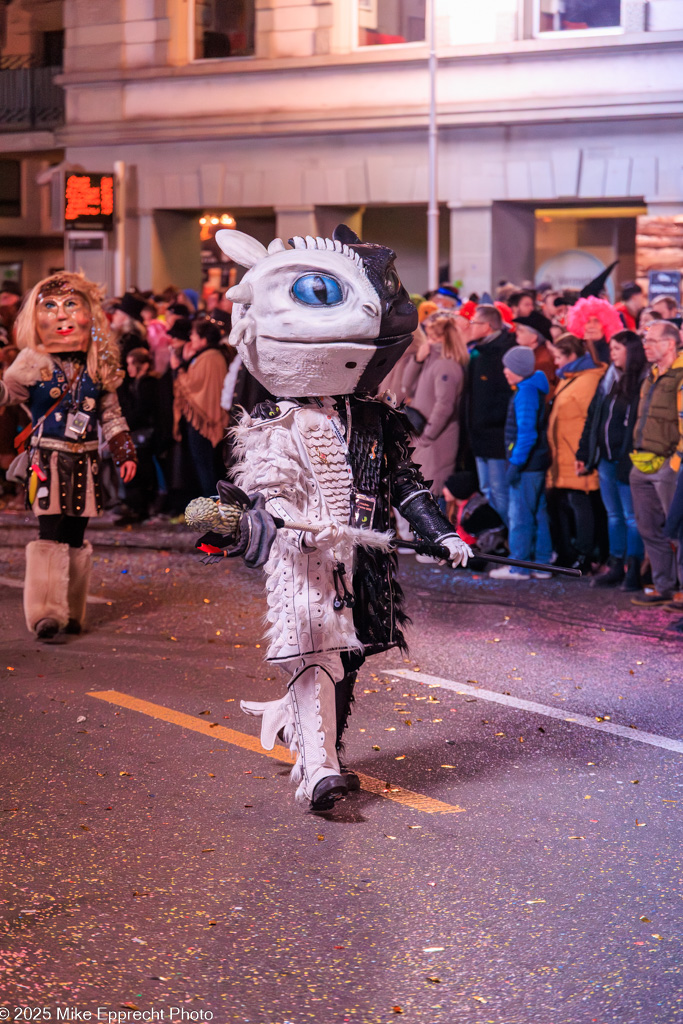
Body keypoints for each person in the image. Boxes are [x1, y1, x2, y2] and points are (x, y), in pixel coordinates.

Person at [197, 224, 472, 814]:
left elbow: (402, 480)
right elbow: (264, 488)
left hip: (365, 562)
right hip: (305, 563)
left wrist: (439, 530)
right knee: (314, 651)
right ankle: (320, 770)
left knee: (347, 657)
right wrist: (287, 520)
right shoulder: (275, 422)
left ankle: (320, 741)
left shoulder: (377, 418)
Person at [0, 272, 136, 640]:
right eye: (53, 307)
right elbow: (6, 394)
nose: (63, 315)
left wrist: (125, 452)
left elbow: (111, 414)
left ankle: (71, 611)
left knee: (76, 535)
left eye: (71, 305)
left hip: (86, 461)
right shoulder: (32, 360)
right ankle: (45, 613)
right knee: (51, 532)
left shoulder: (97, 365)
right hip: (46, 461)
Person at [576, 330, 647, 589]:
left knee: (631, 516)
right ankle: (616, 564)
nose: (612, 353)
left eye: (617, 348)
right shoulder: (610, 379)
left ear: (631, 351)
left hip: (627, 460)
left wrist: (629, 458)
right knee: (614, 515)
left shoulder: (642, 380)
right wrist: (584, 453)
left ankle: (633, 568)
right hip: (605, 459)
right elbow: (594, 417)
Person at [629, 320, 683, 606]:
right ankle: (664, 586)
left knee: (679, 530)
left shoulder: (680, 375)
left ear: (670, 343)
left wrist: (675, 461)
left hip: (668, 464)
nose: (645, 346)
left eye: (652, 341)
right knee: (649, 528)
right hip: (643, 461)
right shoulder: (650, 374)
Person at [489, 346, 552, 580]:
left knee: (521, 514)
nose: (505, 371)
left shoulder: (525, 392)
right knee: (538, 512)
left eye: (509, 367)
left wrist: (515, 464)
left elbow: (526, 434)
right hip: (535, 463)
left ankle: (520, 565)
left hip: (527, 465)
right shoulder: (531, 388)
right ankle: (543, 563)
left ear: (519, 369)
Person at [546, 333, 606, 572]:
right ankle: (578, 553)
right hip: (566, 455)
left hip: (577, 456)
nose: (556, 363)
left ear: (572, 356)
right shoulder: (570, 377)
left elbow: (591, 422)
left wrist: (583, 454)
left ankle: (586, 555)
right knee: (574, 504)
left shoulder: (588, 380)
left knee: (583, 505)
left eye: (559, 357)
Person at [401, 310, 468, 499]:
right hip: (424, 437)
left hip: (436, 441)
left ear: (440, 337)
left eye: (430, 336)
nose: (427, 340)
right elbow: (407, 387)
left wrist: (428, 436)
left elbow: (445, 406)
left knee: (434, 495)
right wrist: (417, 360)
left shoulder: (446, 365)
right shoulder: (431, 359)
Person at [466, 304, 515, 524]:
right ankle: (492, 538)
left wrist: (486, 421)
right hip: (479, 436)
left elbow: (506, 396)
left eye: (474, 322)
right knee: (487, 489)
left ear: (486, 326)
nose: (470, 326)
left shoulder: (502, 353)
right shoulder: (480, 351)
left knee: (499, 491)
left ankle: (505, 537)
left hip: (496, 437)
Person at [172, 317, 228, 497]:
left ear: (204, 339)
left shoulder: (209, 358)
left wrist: (179, 368)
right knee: (206, 467)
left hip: (206, 422)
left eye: (194, 335)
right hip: (203, 421)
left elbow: (192, 387)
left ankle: (214, 514)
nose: (191, 338)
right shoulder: (209, 356)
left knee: (207, 468)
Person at [117, 347, 161, 523]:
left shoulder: (147, 384)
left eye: (131, 364)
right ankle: (134, 506)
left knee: (140, 469)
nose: (129, 369)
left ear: (142, 365)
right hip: (138, 431)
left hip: (143, 433)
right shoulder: (137, 383)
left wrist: (128, 423)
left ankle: (139, 507)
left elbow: (142, 411)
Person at [567, 296, 623, 365]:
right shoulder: (576, 348)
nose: (592, 325)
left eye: (597, 321)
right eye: (587, 321)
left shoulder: (615, 348)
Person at [513, 312, 557, 396]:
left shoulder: (541, 362)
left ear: (534, 337)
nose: (516, 332)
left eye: (521, 330)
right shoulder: (533, 355)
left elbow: (544, 395)